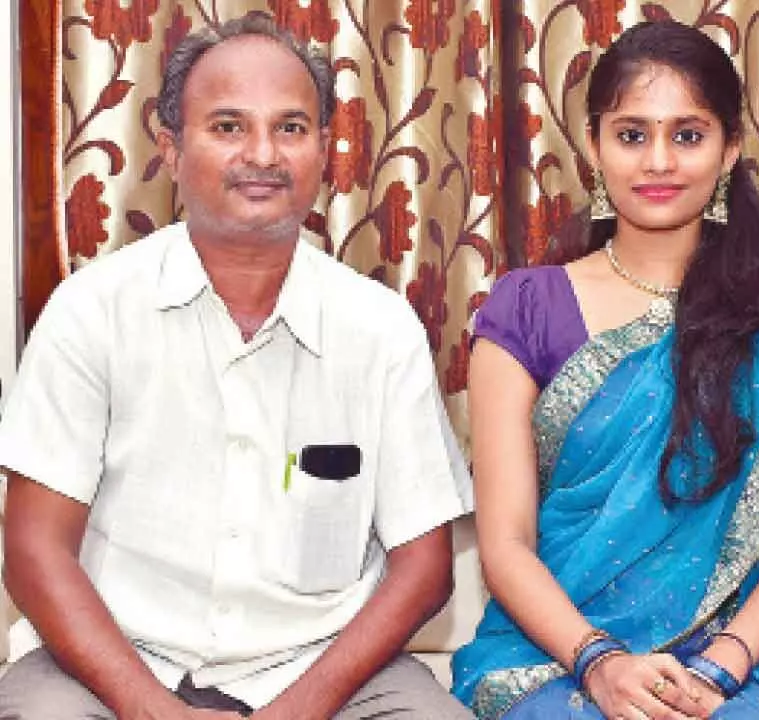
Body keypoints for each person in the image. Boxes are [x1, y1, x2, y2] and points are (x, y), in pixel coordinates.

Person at [0, 15, 474, 720]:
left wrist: (297, 711)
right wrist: (152, 710)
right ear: (169, 146)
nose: (263, 154)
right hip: (112, 663)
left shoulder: (379, 329)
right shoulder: (91, 311)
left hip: (326, 672)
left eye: (291, 128)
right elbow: (35, 548)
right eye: (227, 126)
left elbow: (424, 568)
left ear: (323, 148)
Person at [450, 19, 759, 720]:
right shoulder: (526, 308)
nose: (658, 160)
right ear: (594, 148)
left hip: (738, 658)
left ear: (729, 151)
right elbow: (504, 543)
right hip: (555, 655)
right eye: (632, 135)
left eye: (687, 135)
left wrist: (717, 674)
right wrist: (599, 662)